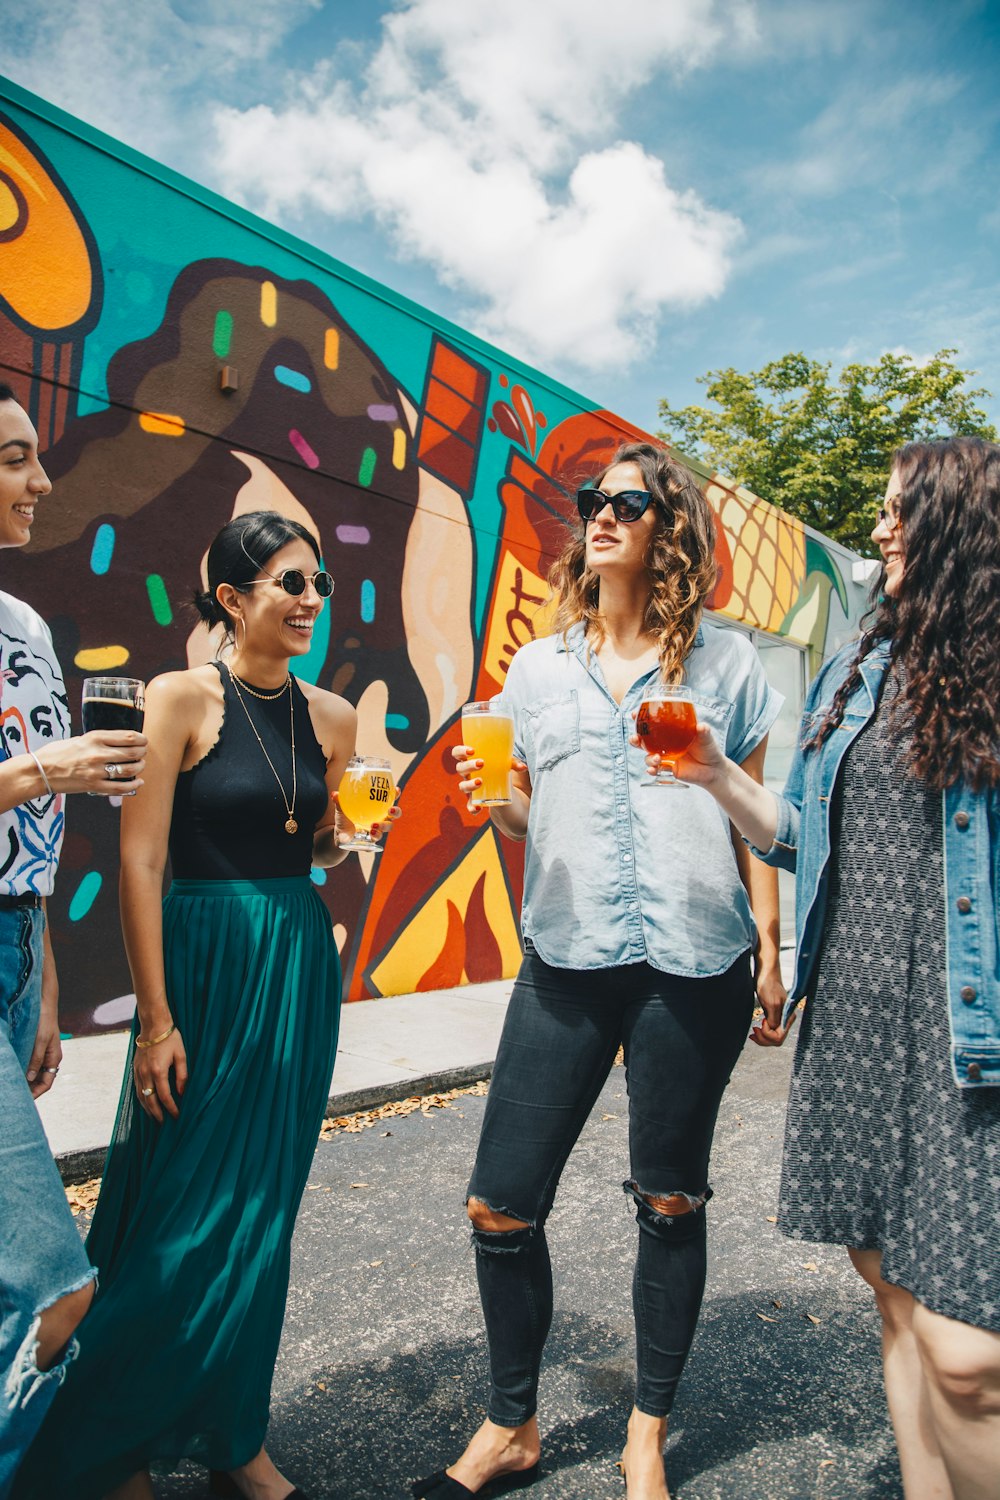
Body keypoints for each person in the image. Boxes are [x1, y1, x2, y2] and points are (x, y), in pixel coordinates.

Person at [417, 442, 786, 1500]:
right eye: (593, 501)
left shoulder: (727, 666)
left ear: (669, 525)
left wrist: (769, 951)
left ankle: (645, 1434)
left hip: (694, 962)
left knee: (668, 1199)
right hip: (566, 959)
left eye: (629, 501)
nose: (604, 516)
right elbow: (536, 815)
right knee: (499, 1202)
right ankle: (512, 1424)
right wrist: (497, 807)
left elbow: (751, 826)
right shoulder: (534, 671)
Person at [15, 510, 391, 1500]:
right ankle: (110, 1435)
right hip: (200, 960)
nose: (313, 598)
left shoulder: (336, 718)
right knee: (178, 1212)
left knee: (262, 1211)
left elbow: (306, 845)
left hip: (295, 964)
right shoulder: (179, 697)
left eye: (318, 582)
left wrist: (347, 840)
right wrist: (158, 1020)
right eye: (290, 582)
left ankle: (233, 1436)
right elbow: (141, 860)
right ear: (233, 599)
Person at [657, 437, 1000, 1500]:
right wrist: (715, 774)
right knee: (891, 1290)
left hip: (963, 1034)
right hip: (853, 1015)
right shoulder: (869, 662)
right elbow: (802, 835)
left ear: (956, 523)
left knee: (972, 1355)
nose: (881, 528)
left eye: (901, 510)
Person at [0, 383, 147, 1499]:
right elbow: (33, 785)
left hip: (12, 948)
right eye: (14, 458)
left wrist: (39, 973)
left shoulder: (24, 624)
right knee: (52, 1284)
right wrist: (38, 769)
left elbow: (32, 835)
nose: (41, 482)